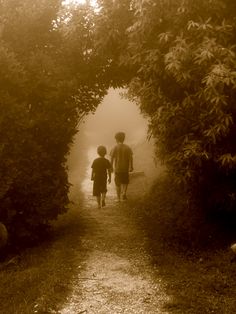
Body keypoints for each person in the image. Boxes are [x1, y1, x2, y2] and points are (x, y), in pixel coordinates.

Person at [110, 132, 133, 201]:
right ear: (124, 139)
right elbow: (130, 158)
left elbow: (111, 158)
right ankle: (124, 193)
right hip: (125, 169)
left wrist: (111, 167)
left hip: (117, 169)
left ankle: (118, 198)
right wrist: (131, 166)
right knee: (125, 182)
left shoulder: (115, 147)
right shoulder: (127, 147)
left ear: (116, 139)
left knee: (118, 183)